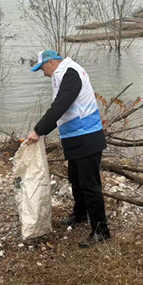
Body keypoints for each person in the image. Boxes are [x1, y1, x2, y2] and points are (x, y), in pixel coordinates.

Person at [26, 50, 111, 248]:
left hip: (87, 136)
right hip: (74, 137)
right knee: (76, 179)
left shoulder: (71, 73)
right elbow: (61, 108)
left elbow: (60, 105)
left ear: (52, 62)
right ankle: (80, 214)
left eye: (42, 68)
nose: (43, 73)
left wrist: (39, 131)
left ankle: (101, 230)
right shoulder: (62, 74)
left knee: (90, 185)